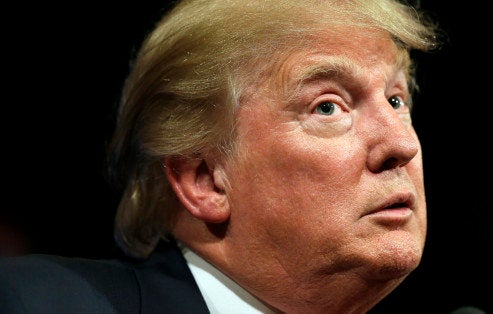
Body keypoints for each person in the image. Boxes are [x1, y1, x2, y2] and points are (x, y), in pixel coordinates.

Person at [0, 0, 441, 312]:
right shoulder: (36, 302)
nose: (401, 145)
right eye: (327, 106)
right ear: (205, 179)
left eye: (396, 100)